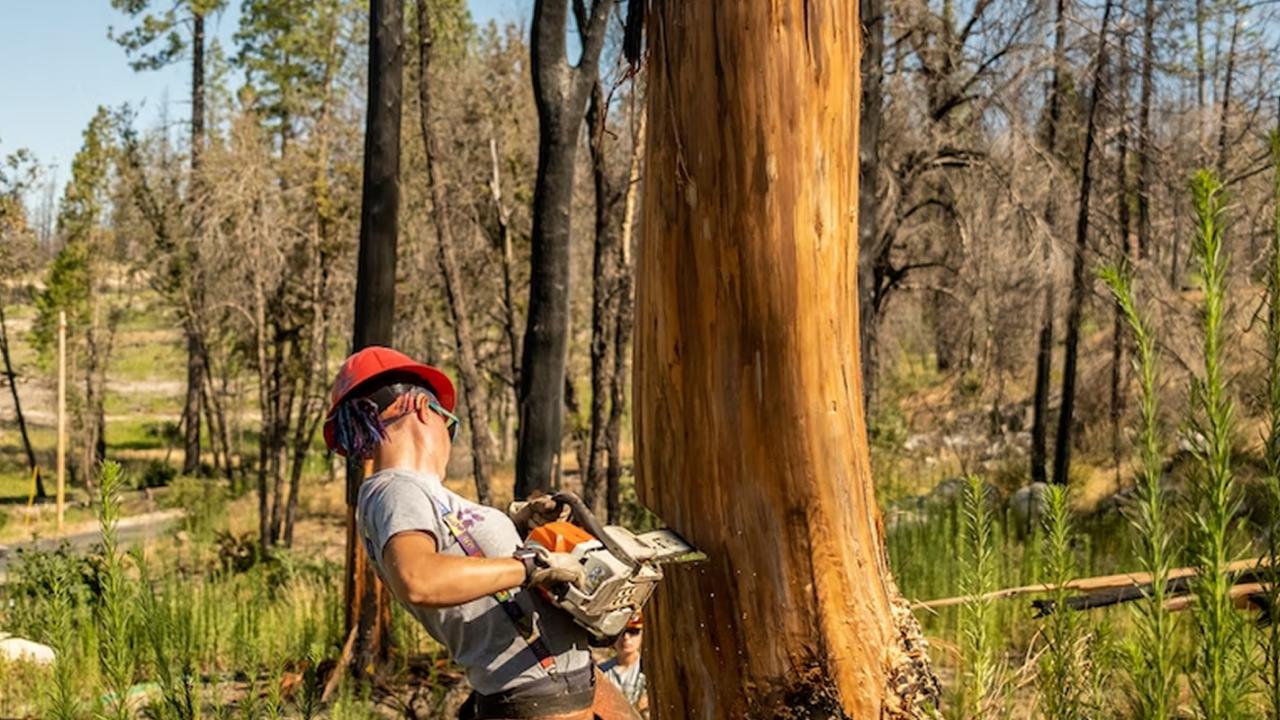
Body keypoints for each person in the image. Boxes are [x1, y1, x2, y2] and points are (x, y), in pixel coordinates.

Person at [324, 346, 638, 720]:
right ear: (422, 408)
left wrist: (522, 529)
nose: (449, 436)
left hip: (572, 682)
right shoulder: (394, 489)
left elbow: (467, 562)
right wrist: (529, 565)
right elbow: (418, 578)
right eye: (449, 422)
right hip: (538, 696)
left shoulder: (420, 495)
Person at [598, 613, 648, 717]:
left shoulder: (649, 669)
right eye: (620, 633)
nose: (626, 638)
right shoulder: (601, 672)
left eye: (633, 632)